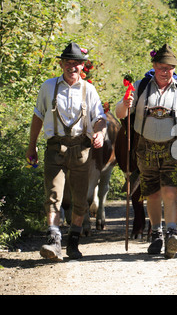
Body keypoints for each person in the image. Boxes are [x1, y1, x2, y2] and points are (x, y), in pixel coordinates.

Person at [115, 44, 177, 259]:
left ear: (174, 69)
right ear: (154, 66)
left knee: (170, 191)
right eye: (161, 66)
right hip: (145, 148)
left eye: (169, 67)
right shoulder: (140, 87)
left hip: (174, 148)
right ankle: (157, 234)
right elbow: (121, 113)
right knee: (151, 193)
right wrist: (125, 103)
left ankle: (172, 233)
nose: (165, 71)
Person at [26, 43, 107, 261]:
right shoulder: (49, 86)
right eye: (68, 62)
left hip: (81, 149)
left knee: (81, 199)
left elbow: (99, 117)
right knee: (53, 195)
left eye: (76, 63)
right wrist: (31, 144)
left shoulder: (88, 90)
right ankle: (54, 241)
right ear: (61, 64)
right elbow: (38, 116)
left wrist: (98, 133)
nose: (72, 66)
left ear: (83, 66)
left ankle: (73, 242)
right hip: (55, 147)